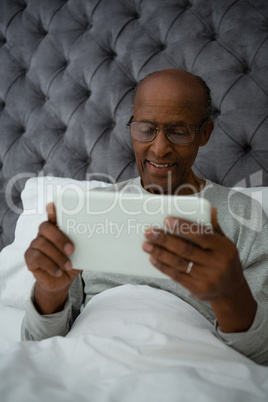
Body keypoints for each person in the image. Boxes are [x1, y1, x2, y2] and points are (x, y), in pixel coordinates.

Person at [21, 69, 268, 366]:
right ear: (131, 128)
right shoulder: (94, 208)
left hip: (190, 367)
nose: (160, 148)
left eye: (178, 131)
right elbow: (37, 348)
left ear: (204, 134)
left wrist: (229, 293)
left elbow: (261, 357)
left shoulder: (243, 215)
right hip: (89, 361)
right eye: (146, 129)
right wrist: (50, 290)